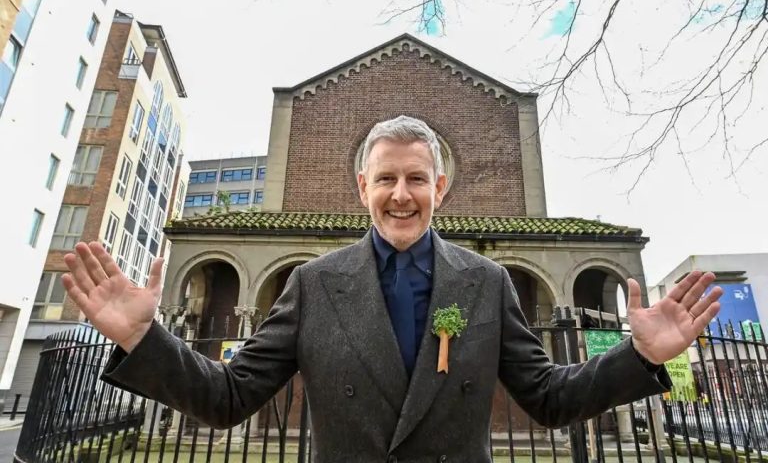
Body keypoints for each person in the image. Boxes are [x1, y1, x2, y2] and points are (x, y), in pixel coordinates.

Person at [62, 116, 722, 463]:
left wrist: (642, 359)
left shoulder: (485, 283)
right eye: (385, 179)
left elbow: (548, 399)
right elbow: (228, 396)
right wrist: (144, 340)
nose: (400, 195)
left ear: (440, 188)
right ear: (363, 189)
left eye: (415, 179)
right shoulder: (313, 284)